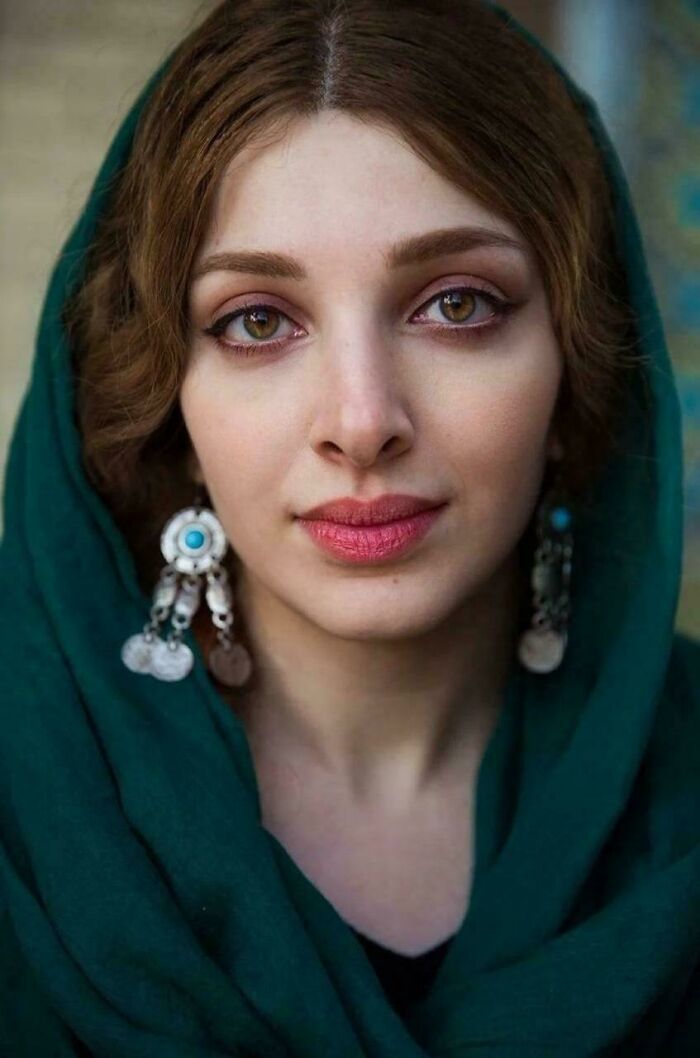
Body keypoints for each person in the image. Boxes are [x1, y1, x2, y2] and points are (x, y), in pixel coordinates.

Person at [0, 0, 698, 1053]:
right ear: (169, 408)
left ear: (576, 367)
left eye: (456, 305)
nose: (362, 421)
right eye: (256, 322)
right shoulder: (27, 805)